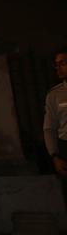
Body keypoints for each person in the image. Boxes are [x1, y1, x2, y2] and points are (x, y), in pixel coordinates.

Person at [43, 47, 67, 177]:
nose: (58, 68)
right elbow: (49, 128)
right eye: (56, 65)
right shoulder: (54, 95)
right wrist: (55, 156)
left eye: (63, 63)